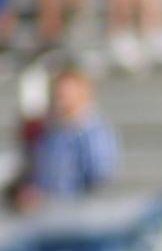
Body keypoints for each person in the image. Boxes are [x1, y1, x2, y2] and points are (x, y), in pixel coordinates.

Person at [28, 62, 118, 201]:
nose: (61, 96)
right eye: (58, 92)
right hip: (51, 210)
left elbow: (99, 176)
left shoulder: (93, 132)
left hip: (79, 212)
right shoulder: (53, 131)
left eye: (66, 91)